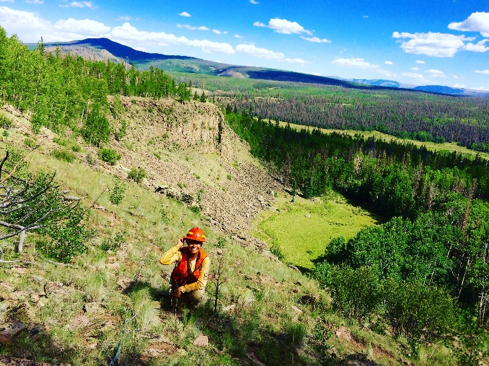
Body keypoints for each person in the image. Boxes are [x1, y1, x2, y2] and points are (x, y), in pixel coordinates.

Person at [159, 227, 210, 312]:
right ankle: (176, 299)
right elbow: (163, 260)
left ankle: (191, 305)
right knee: (177, 309)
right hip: (178, 285)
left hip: (191, 289)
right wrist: (177, 246)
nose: (194, 246)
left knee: (198, 294)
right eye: (191, 242)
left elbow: (201, 284)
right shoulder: (182, 253)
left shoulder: (205, 259)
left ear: (201, 245)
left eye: (197, 243)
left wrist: (182, 289)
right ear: (187, 242)